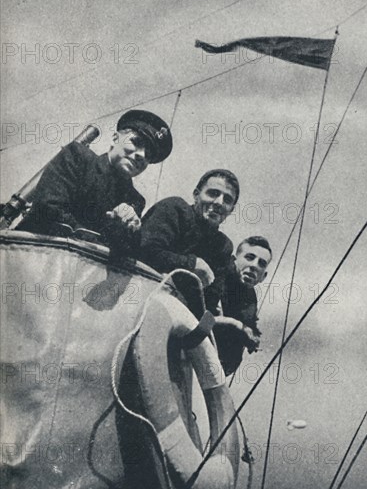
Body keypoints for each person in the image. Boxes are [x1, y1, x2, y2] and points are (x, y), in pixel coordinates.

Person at [17, 109, 172, 253]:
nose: (142, 155)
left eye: (149, 154)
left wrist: (129, 230)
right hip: (31, 256)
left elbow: (124, 254)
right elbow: (48, 209)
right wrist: (99, 242)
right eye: (136, 142)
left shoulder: (135, 201)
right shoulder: (77, 157)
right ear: (115, 138)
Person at [139, 169, 239, 314]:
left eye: (227, 200)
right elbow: (145, 249)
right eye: (213, 193)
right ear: (196, 195)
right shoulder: (174, 209)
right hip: (140, 296)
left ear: (231, 210)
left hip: (178, 316)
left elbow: (209, 301)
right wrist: (191, 264)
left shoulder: (223, 246)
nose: (219, 203)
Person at [214, 236, 272, 376]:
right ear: (234, 260)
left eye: (261, 263)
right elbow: (196, 319)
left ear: (263, 277)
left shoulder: (250, 300)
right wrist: (236, 325)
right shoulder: (215, 277)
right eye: (249, 257)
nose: (254, 266)